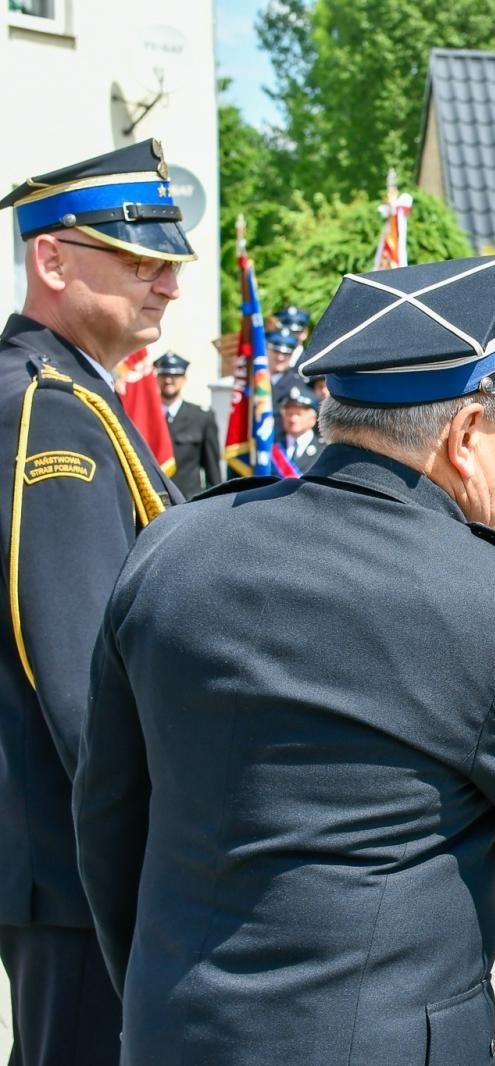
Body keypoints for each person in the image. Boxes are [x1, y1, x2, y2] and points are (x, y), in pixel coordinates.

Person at [72, 251, 495, 1063]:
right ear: (467, 435)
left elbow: (107, 815)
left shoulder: (173, 548)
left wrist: (155, 984)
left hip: (173, 1027)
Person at [0, 138, 190, 1066]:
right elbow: (78, 674)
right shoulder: (50, 410)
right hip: (80, 860)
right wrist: (162, 842)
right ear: (51, 257)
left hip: (69, 851)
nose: (168, 286)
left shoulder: (72, 394)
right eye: (143, 261)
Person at [155, 352, 222, 497]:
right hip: (152, 501)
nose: (168, 380)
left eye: (174, 376)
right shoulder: (147, 417)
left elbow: (213, 472)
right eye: (164, 375)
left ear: (184, 378)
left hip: (187, 502)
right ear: (157, 378)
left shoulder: (202, 417)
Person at [278, 381, 323, 473]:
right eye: (289, 414)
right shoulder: (272, 445)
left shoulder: (324, 448)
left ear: (313, 418)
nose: (293, 419)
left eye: (299, 414)